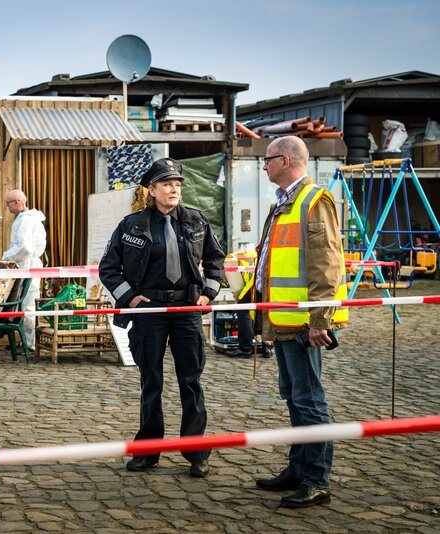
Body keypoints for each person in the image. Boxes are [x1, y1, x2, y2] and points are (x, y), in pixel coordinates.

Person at [99, 157, 225, 478]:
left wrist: (208, 293)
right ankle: (148, 451)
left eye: (177, 184)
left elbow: (215, 260)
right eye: (167, 184)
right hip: (149, 311)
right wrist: (130, 297)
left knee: (191, 382)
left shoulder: (196, 221)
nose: (174, 189)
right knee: (151, 381)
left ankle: (196, 452)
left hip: (186, 310)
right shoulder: (132, 226)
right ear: (152, 190)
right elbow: (109, 269)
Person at [252, 136, 348, 508]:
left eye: (268, 159)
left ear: (286, 161)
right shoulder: (283, 203)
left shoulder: (313, 201)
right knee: (294, 398)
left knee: (309, 400)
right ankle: (298, 468)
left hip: (304, 324)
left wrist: (319, 318)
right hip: (283, 319)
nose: (263, 165)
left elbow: (326, 264)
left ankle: (317, 479)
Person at [2, 189, 47, 351]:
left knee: (28, 305)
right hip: (27, 264)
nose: (7, 207)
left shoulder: (26, 220)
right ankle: (25, 340)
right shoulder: (27, 218)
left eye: (8, 203)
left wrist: (6, 257)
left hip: (27, 264)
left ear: (17, 202)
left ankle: (30, 344)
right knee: (23, 304)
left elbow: (25, 248)